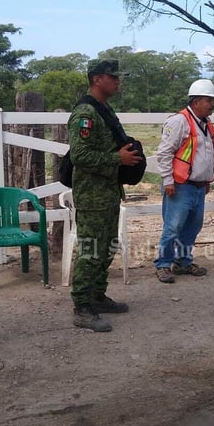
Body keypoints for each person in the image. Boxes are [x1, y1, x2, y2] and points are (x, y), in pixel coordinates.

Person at [68, 59, 143, 332]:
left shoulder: (103, 111)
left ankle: (97, 296)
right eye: (113, 77)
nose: (117, 81)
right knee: (90, 250)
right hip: (92, 196)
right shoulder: (85, 113)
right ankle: (82, 307)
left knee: (107, 248)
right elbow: (79, 155)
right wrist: (118, 158)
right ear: (97, 79)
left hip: (108, 192)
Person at [153, 79, 214, 284]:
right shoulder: (179, 121)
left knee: (192, 226)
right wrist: (168, 180)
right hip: (180, 186)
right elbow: (164, 154)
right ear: (197, 101)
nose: (212, 104)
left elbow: (207, 154)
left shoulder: (207, 124)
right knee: (173, 227)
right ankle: (164, 264)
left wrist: (208, 178)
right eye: (209, 100)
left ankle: (182, 262)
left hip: (198, 186)